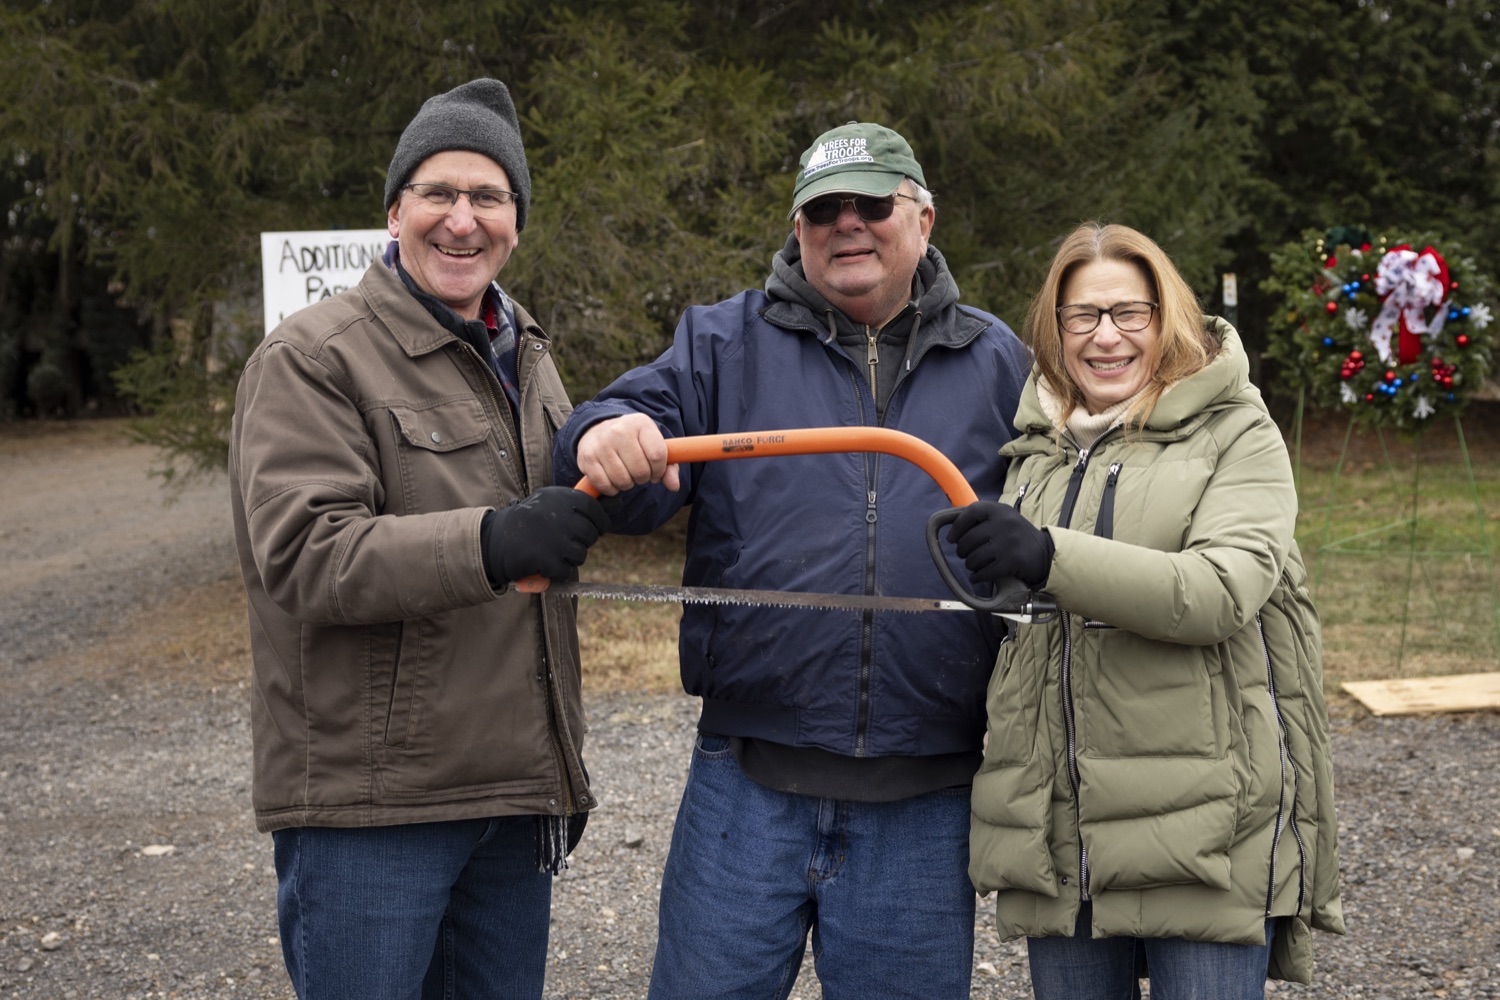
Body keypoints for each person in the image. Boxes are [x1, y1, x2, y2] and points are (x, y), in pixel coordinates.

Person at [552, 121, 1031, 999]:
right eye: (823, 209)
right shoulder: (722, 342)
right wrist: (604, 434)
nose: (847, 223)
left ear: (923, 218)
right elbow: (621, 448)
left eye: (871, 204)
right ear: (798, 228)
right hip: (746, 787)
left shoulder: (999, 360)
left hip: (927, 801)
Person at [228, 78, 611, 1000]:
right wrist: (491, 543)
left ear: (515, 220)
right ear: (395, 210)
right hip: (375, 810)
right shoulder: (313, 356)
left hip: (512, 796)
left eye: (488, 197)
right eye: (438, 192)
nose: (462, 220)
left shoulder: (525, 351)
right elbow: (306, 554)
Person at [946, 222, 1345, 998]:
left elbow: (1220, 592)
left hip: (1205, 833)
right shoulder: (1036, 447)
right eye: (1082, 316)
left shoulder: (1237, 431)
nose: (1106, 336)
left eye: (1130, 312)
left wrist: (1049, 557)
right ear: (1054, 328)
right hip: (1062, 836)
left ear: (1169, 317)